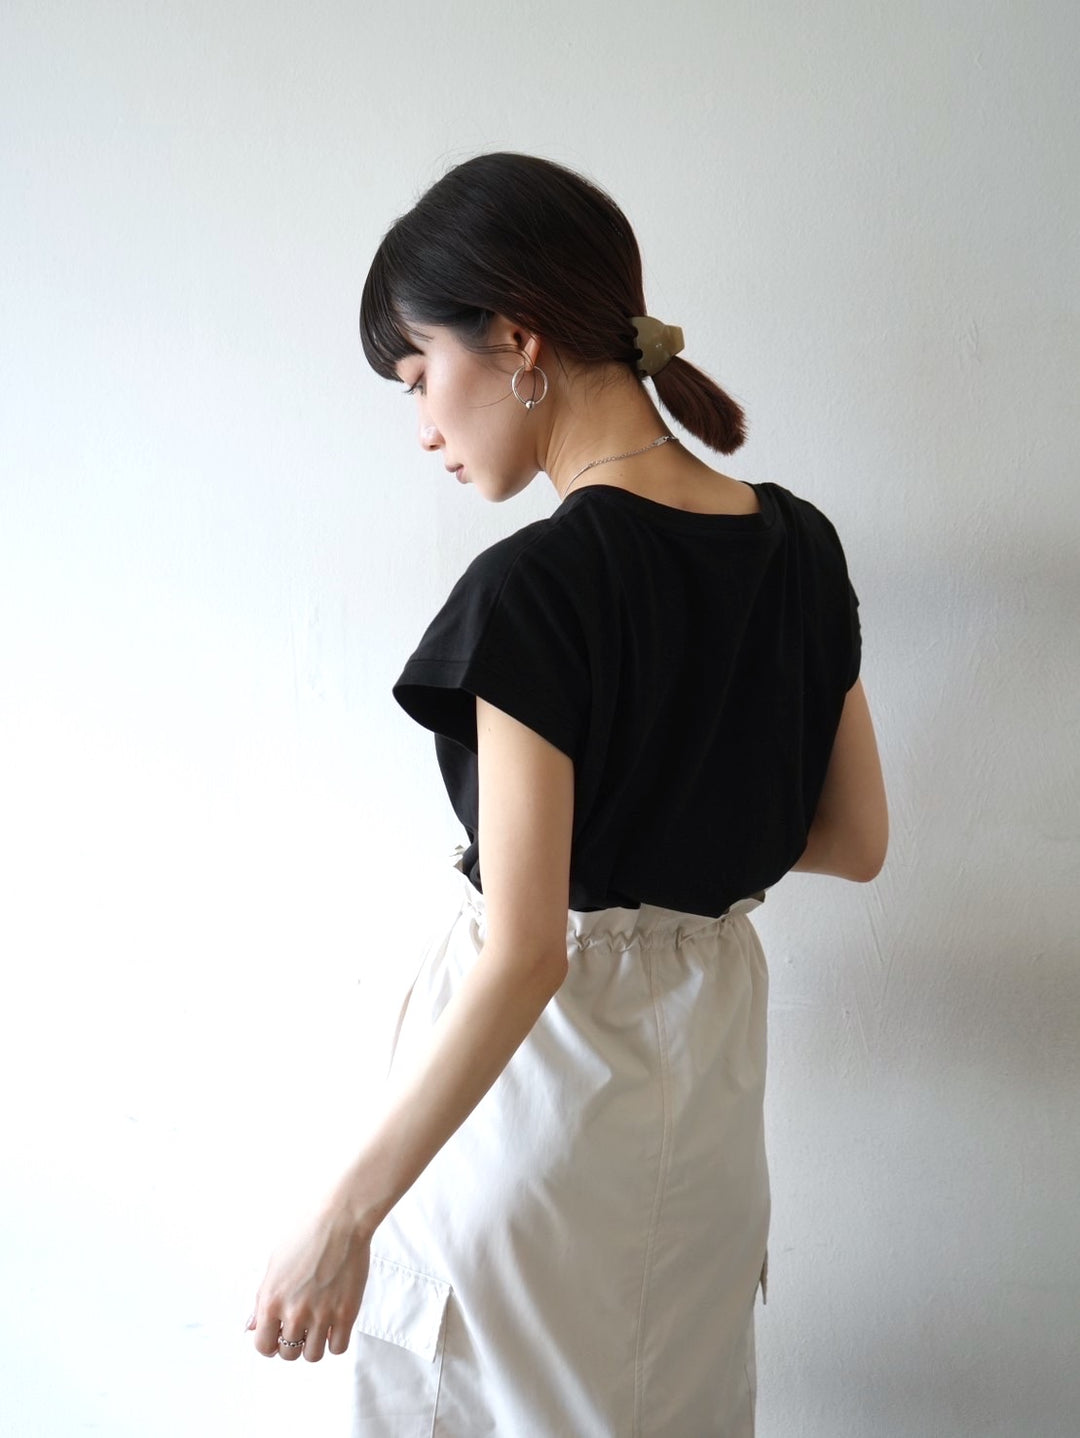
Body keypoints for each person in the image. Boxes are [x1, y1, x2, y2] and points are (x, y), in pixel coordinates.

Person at [246, 151, 889, 1436]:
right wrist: (689, 825)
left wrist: (342, 1218)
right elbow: (854, 838)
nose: (423, 425)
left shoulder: (535, 587)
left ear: (518, 339)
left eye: (420, 375)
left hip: (537, 1111)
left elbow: (529, 950)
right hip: (705, 1117)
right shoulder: (799, 547)